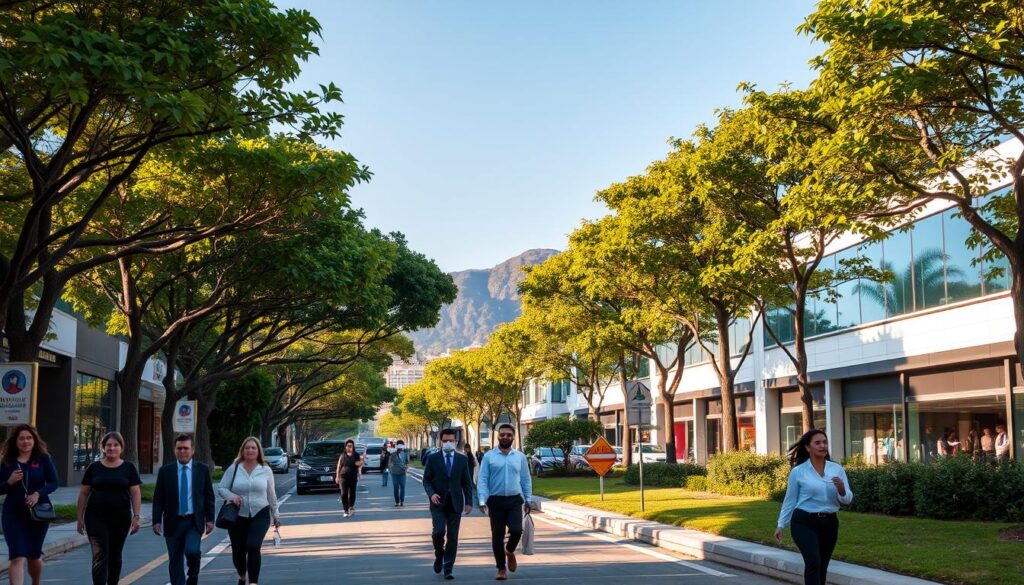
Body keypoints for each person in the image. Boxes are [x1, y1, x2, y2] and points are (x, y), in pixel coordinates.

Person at [774, 429, 853, 585]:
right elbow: (790, 500)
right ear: (808, 447)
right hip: (804, 522)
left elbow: (847, 500)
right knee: (813, 562)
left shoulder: (836, 469)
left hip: (829, 523)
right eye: (817, 443)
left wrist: (842, 490)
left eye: (824, 442)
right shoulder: (798, 472)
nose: (822, 446)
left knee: (822, 566)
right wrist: (780, 525)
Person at [76, 432, 142, 585]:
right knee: (100, 554)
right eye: (108, 445)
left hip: (121, 518)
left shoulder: (129, 467)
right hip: (95, 517)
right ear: (104, 448)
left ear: (121, 448)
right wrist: (79, 518)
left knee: (115, 555)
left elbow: (135, 493)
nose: (112, 448)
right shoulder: (94, 468)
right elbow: (84, 493)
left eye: (115, 445)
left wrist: (136, 516)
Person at [152, 434, 215, 585]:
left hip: (193, 522)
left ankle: (193, 577)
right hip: (173, 522)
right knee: (175, 561)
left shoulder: (202, 470)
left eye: (186, 448)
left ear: (192, 450)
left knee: (193, 551)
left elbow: (209, 496)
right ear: (174, 450)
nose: (182, 451)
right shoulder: (166, 471)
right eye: (179, 448)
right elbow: (158, 498)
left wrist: (210, 519)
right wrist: (156, 521)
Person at [0, 424, 59, 585]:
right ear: (15, 441)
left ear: (34, 440)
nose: (26, 441)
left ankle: (35, 581)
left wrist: (38, 494)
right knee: (17, 556)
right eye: (21, 438)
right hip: (13, 514)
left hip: (38, 514)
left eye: (29, 438)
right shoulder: (7, 462)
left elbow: (54, 482)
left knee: (34, 556)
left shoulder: (43, 459)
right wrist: (9, 482)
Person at [218, 437, 281, 585]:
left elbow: (271, 494)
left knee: (253, 546)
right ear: (242, 450)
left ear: (258, 451)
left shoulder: (265, 470)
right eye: (247, 448)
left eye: (253, 448)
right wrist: (232, 496)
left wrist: (276, 515)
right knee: (238, 552)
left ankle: (253, 582)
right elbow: (221, 488)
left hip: (261, 513)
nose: (250, 450)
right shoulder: (234, 467)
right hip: (237, 516)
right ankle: (242, 576)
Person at [478, 424, 532, 581]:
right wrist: (482, 500)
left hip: (515, 499)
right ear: (498, 436)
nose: (505, 437)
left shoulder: (520, 457)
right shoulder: (489, 456)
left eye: (509, 435)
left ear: (513, 437)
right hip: (495, 501)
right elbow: (482, 479)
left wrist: (528, 499)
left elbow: (525, 479)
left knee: (516, 530)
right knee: (497, 536)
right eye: (502, 435)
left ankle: (509, 550)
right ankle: (501, 568)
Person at [423, 429, 474, 580]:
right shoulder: (433, 458)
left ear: (456, 441)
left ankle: (448, 567)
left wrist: (469, 502)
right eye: (445, 441)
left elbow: (467, 483)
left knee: (453, 537)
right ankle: (439, 554)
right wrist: (431, 494)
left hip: (456, 504)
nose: (448, 443)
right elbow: (426, 480)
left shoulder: (462, 459)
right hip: (438, 503)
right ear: (440, 441)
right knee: (438, 532)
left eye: (451, 440)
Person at [334, 440, 361, 517]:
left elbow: (358, 465)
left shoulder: (356, 455)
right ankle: (345, 510)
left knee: (352, 493)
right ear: (345, 447)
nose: (350, 447)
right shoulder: (343, 455)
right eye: (348, 445)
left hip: (353, 476)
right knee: (344, 494)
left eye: (351, 445)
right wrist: (337, 476)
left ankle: (351, 506)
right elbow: (339, 466)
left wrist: (359, 473)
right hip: (343, 476)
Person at [388, 440, 410, 507]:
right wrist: (390, 466)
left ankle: (402, 501)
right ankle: (397, 502)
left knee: (402, 487)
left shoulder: (405, 453)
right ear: (397, 446)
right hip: (394, 473)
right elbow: (390, 462)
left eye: (402, 445)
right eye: (399, 445)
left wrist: (406, 467)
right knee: (396, 487)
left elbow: (407, 462)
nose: (400, 447)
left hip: (402, 473)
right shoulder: (393, 453)